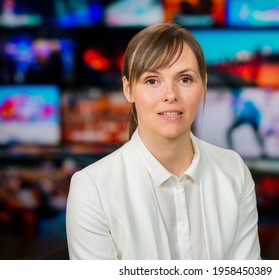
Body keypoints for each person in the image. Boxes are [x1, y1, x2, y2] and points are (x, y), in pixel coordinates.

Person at [66, 22, 261, 260]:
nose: (170, 95)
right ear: (128, 89)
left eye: (185, 79)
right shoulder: (91, 188)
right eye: (152, 81)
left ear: (204, 85)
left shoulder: (234, 171)